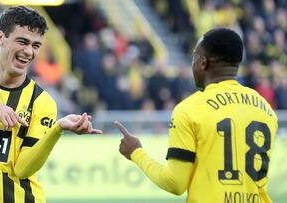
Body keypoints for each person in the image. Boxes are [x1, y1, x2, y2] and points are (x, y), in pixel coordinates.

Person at [0, 6, 102, 203]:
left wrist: (57, 129)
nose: (28, 51)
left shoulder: (42, 101)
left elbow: (23, 169)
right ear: (0, 37)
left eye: (35, 45)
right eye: (22, 41)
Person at [115, 28, 278, 203]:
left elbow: (175, 183)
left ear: (203, 63)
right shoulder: (265, 109)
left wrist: (136, 152)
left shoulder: (189, 109)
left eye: (194, 57)